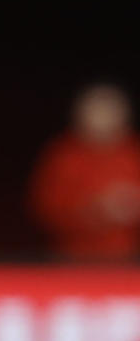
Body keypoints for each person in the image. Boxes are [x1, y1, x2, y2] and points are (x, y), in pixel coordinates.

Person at [29, 82, 140, 261]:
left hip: (131, 258)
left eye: (110, 112)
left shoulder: (134, 153)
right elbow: (46, 208)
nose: (103, 119)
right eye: (96, 112)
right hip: (74, 258)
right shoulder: (63, 155)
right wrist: (96, 211)